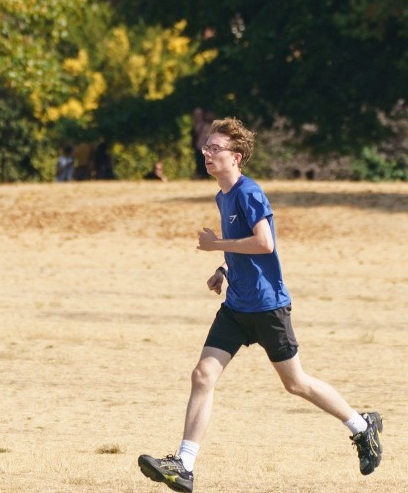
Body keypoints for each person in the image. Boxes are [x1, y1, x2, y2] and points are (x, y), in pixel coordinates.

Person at [137, 118, 383, 492]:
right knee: (202, 375)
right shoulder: (222, 195)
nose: (207, 153)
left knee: (296, 384)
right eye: (206, 147)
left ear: (236, 157)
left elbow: (264, 242)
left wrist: (217, 245)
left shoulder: (249, 193)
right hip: (236, 307)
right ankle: (184, 465)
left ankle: (362, 427)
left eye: (215, 148)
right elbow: (243, 244)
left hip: (268, 307)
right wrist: (223, 268)